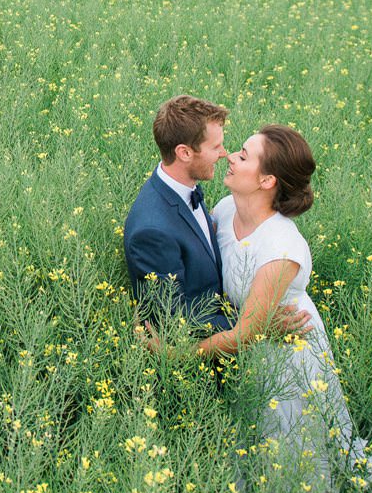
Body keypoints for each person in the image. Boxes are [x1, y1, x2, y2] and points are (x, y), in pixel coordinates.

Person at [199, 123, 372, 493]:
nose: (230, 156)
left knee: (293, 449)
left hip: (288, 354)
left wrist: (175, 352)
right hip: (251, 346)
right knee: (250, 442)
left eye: (243, 154)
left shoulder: (281, 245)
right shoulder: (225, 212)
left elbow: (248, 332)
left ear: (266, 180)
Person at [123, 96, 308, 339]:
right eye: (215, 147)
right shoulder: (152, 230)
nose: (224, 154)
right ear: (185, 153)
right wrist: (253, 326)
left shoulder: (192, 193)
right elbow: (171, 315)